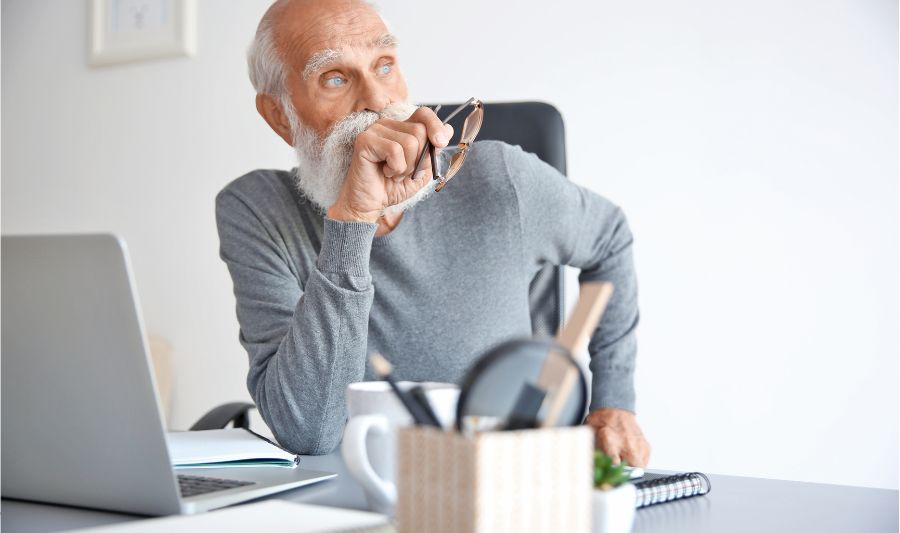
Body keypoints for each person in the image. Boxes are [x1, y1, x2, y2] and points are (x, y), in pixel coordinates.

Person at [216, 0, 651, 467]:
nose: (377, 100)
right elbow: (309, 430)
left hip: (509, 491)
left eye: (384, 65)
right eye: (335, 78)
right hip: (353, 502)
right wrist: (354, 217)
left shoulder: (500, 178)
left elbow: (611, 240)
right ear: (280, 115)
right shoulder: (258, 209)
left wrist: (614, 400)